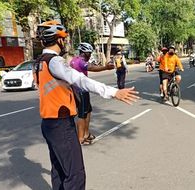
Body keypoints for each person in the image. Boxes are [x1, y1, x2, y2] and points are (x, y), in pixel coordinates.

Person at [34, 20, 139, 190]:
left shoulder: (39, 62)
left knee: (59, 170)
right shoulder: (54, 61)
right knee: (75, 174)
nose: (65, 42)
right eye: (63, 39)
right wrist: (113, 92)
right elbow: (80, 80)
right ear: (59, 40)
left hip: (48, 123)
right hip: (61, 124)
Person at [70, 42, 114, 145]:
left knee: (88, 111)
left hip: (79, 90)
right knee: (82, 115)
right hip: (81, 91)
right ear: (84, 53)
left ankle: (86, 134)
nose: (90, 55)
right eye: (89, 53)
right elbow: (91, 68)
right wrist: (105, 68)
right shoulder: (81, 61)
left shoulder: (73, 60)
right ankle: (81, 138)